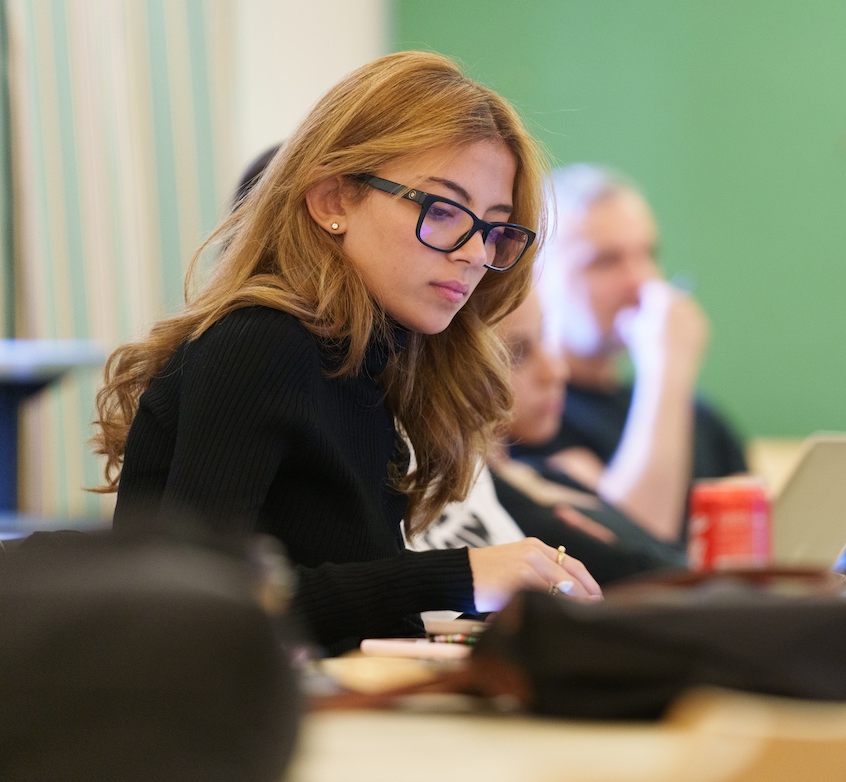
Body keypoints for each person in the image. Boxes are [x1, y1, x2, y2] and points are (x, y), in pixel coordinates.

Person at [92, 51, 600, 656]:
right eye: (441, 211)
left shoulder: (374, 362)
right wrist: (459, 577)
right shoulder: (260, 343)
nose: (473, 254)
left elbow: (335, 608)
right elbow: (200, 607)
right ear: (333, 200)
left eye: (493, 228)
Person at [514, 164, 746, 546]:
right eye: (605, 261)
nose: (640, 281)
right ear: (535, 273)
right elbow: (634, 542)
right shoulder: (535, 414)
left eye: (647, 254)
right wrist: (666, 370)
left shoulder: (702, 418)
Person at [410, 289, 687, 583]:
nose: (555, 371)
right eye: (516, 353)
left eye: (544, 337)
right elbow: (645, 575)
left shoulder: (544, 473)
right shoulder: (496, 506)